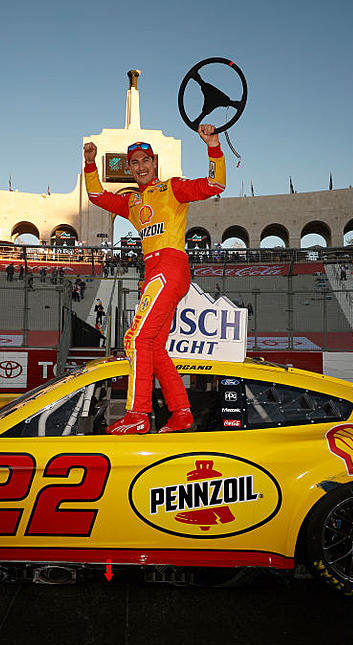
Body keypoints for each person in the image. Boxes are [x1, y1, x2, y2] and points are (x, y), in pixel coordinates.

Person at [84, 123, 225, 434]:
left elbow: (215, 185)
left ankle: (138, 414)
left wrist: (213, 147)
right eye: (134, 162)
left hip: (169, 267)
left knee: (135, 339)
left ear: (154, 164)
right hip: (155, 272)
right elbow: (95, 195)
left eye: (145, 161)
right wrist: (90, 164)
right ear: (130, 168)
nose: (140, 166)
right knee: (155, 345)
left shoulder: (172, 188)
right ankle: (181, 413)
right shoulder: (132, 201)